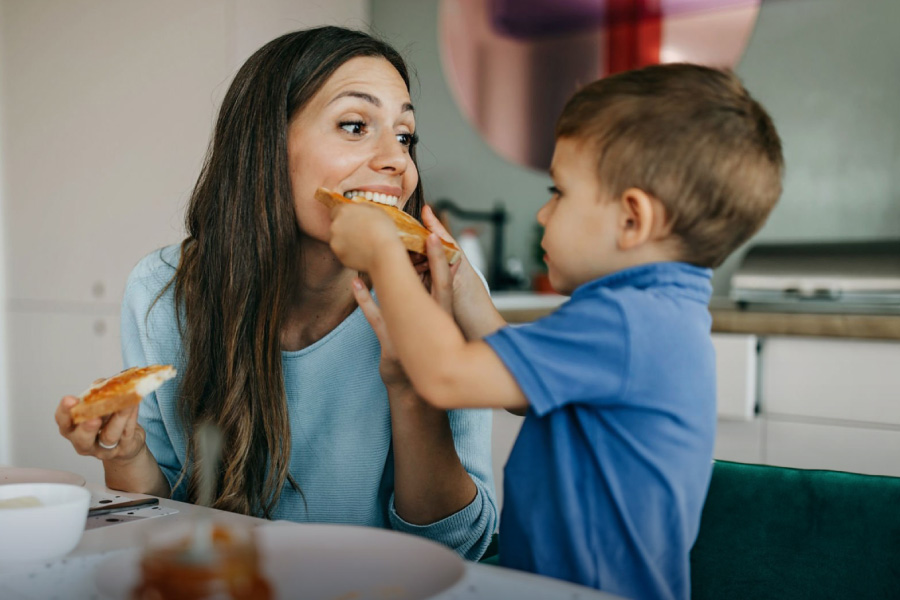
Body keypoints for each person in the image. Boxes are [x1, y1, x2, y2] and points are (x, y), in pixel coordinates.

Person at [327, 63, 784, 599]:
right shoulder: (647, 312)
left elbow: (445, 378)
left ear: (633, 219)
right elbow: (521, 391)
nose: (543, 215)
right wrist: (462, 284)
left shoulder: (629, 323)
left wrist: (382, 250)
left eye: (559, 192)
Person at [54, 26, 498, 561]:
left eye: (405, 136)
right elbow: (160, 518)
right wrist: (124, 453)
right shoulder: (163, 291)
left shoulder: (443, 292)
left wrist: (411, 386)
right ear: (265, 144)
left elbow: (459, 546)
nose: (396, 161)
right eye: (355, 125)